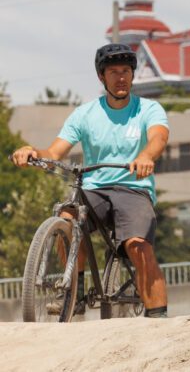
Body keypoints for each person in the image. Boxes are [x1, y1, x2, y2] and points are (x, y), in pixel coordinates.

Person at [10, 43, 171, 318]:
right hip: (94, 189)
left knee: (137, 245)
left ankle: (159, 317)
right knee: (66, 218)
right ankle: (74, 291)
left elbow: (158, 138)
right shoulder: (85, 114)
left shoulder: (148, 109)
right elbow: (55, 152)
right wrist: (33, 152)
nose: (120, 77)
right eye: (113, 72)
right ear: (101, 77)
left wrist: (146, 157)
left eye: (125, 71)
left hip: (133, 188)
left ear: (132, 76)